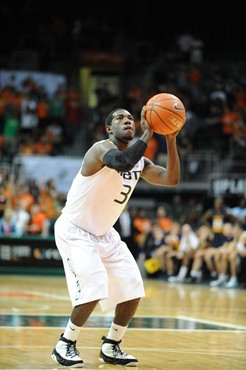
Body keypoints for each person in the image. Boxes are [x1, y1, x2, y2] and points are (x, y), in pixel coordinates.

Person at [51, 106, 181, 367]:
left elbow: (171, 179)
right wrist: (148, 133)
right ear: (109, 129)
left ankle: (112, 345)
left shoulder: (141, 161)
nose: (128, 121)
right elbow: (122, 162)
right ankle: (65, 344)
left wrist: (170, 138)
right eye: (121, 118)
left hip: (104, 233)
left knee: (133, 286)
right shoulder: (99, 149)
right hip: (75, 230)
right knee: (95, 284)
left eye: (131, 119)